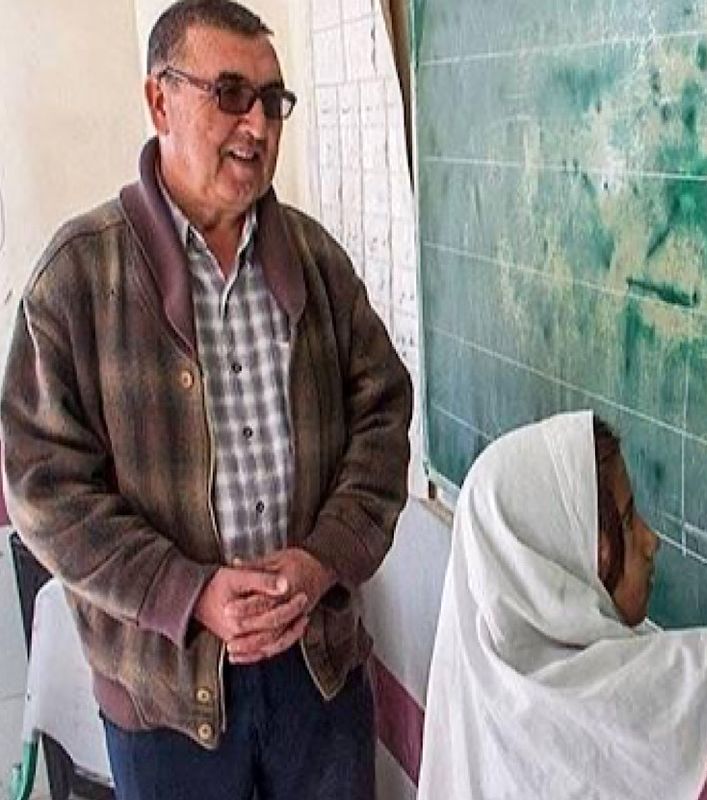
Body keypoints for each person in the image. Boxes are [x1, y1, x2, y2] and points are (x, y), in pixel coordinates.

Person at [0, 2, 412, 798]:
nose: (256, 125)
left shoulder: (316, 262)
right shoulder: (79, 276)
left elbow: (384, 417)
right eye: (229, 94)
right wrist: (187, 593)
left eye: (272, 100)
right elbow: (42, 488)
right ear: (160, 101)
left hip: (316, 669)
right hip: (163, 694)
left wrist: (323, 558)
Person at [418, 323, 707, 799]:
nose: (652, 541)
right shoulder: (585, 707)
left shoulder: (487, 691)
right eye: (629, 523)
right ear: (562, 563)